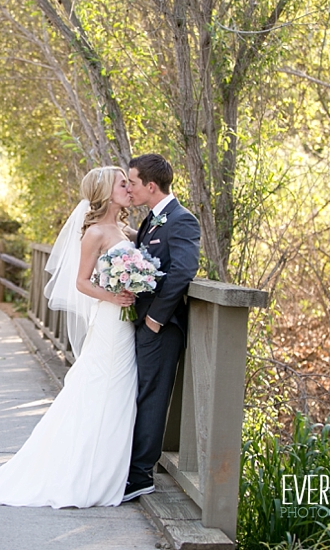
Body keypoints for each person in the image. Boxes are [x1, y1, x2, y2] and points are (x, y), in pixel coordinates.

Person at [0, 166, 139, 508]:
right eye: (123, 183)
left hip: (123, 320)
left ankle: (110, 465)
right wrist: (114, 297)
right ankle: (86, 471)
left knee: (118, 389)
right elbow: (81, 283)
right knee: (102, 387)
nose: (128, 188)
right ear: (106, 191)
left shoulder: (123, 229)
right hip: (111, 318)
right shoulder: (94, 233)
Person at [122, 154, 200, 502]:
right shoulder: (152, 221)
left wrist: (155, 319)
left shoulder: (182, 221)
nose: (130, 188)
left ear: (150, 186)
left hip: (161, 328)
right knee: (140, 395)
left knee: (151, 398)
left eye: (133, 183)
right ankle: (131, 467)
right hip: (143, 324)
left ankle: (140, 476)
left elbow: (183, 271)